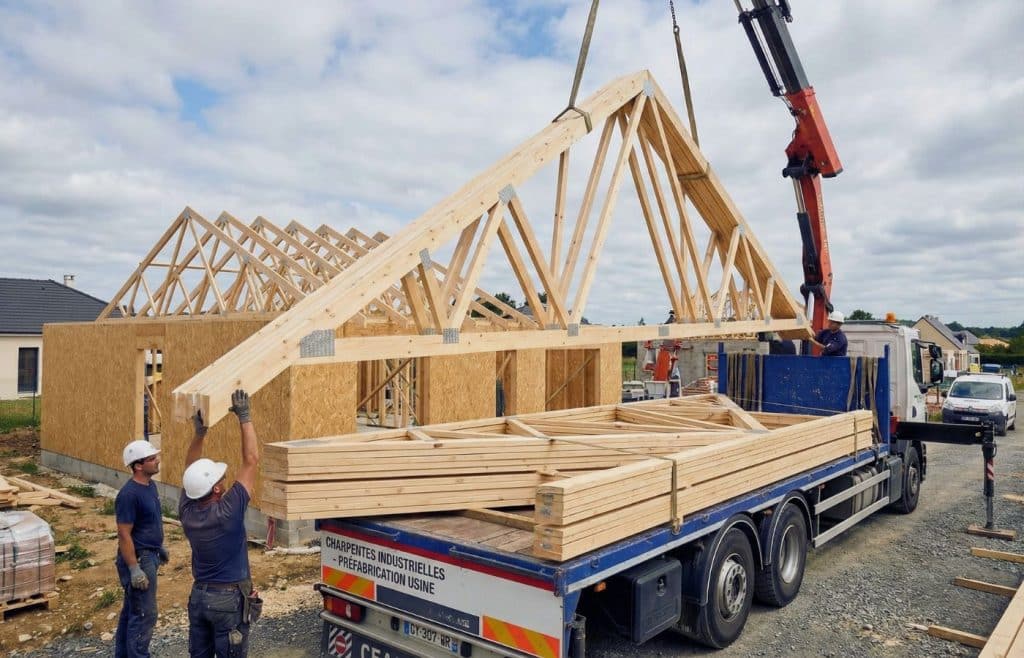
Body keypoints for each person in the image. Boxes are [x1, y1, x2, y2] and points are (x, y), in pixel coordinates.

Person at [181, 389, 260, 657]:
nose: (225, 480)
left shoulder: (188, 510)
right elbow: (251, 461)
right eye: (220, 479)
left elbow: (191, 472)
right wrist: (245, 417)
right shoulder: (228, 512)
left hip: (200, 597)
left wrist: (199, 434)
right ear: (215, 490)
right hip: (227, 600)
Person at [115, 439, 168, 658]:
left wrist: (159, 546)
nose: (157, 461)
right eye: (152, 459)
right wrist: (134, 569)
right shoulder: (129, 494)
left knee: (132, 612)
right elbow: (124, 534)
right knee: (145, 613)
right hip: (139, 559)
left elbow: (149, 522)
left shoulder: (150, 486)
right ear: (138, 465)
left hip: (150, 554)